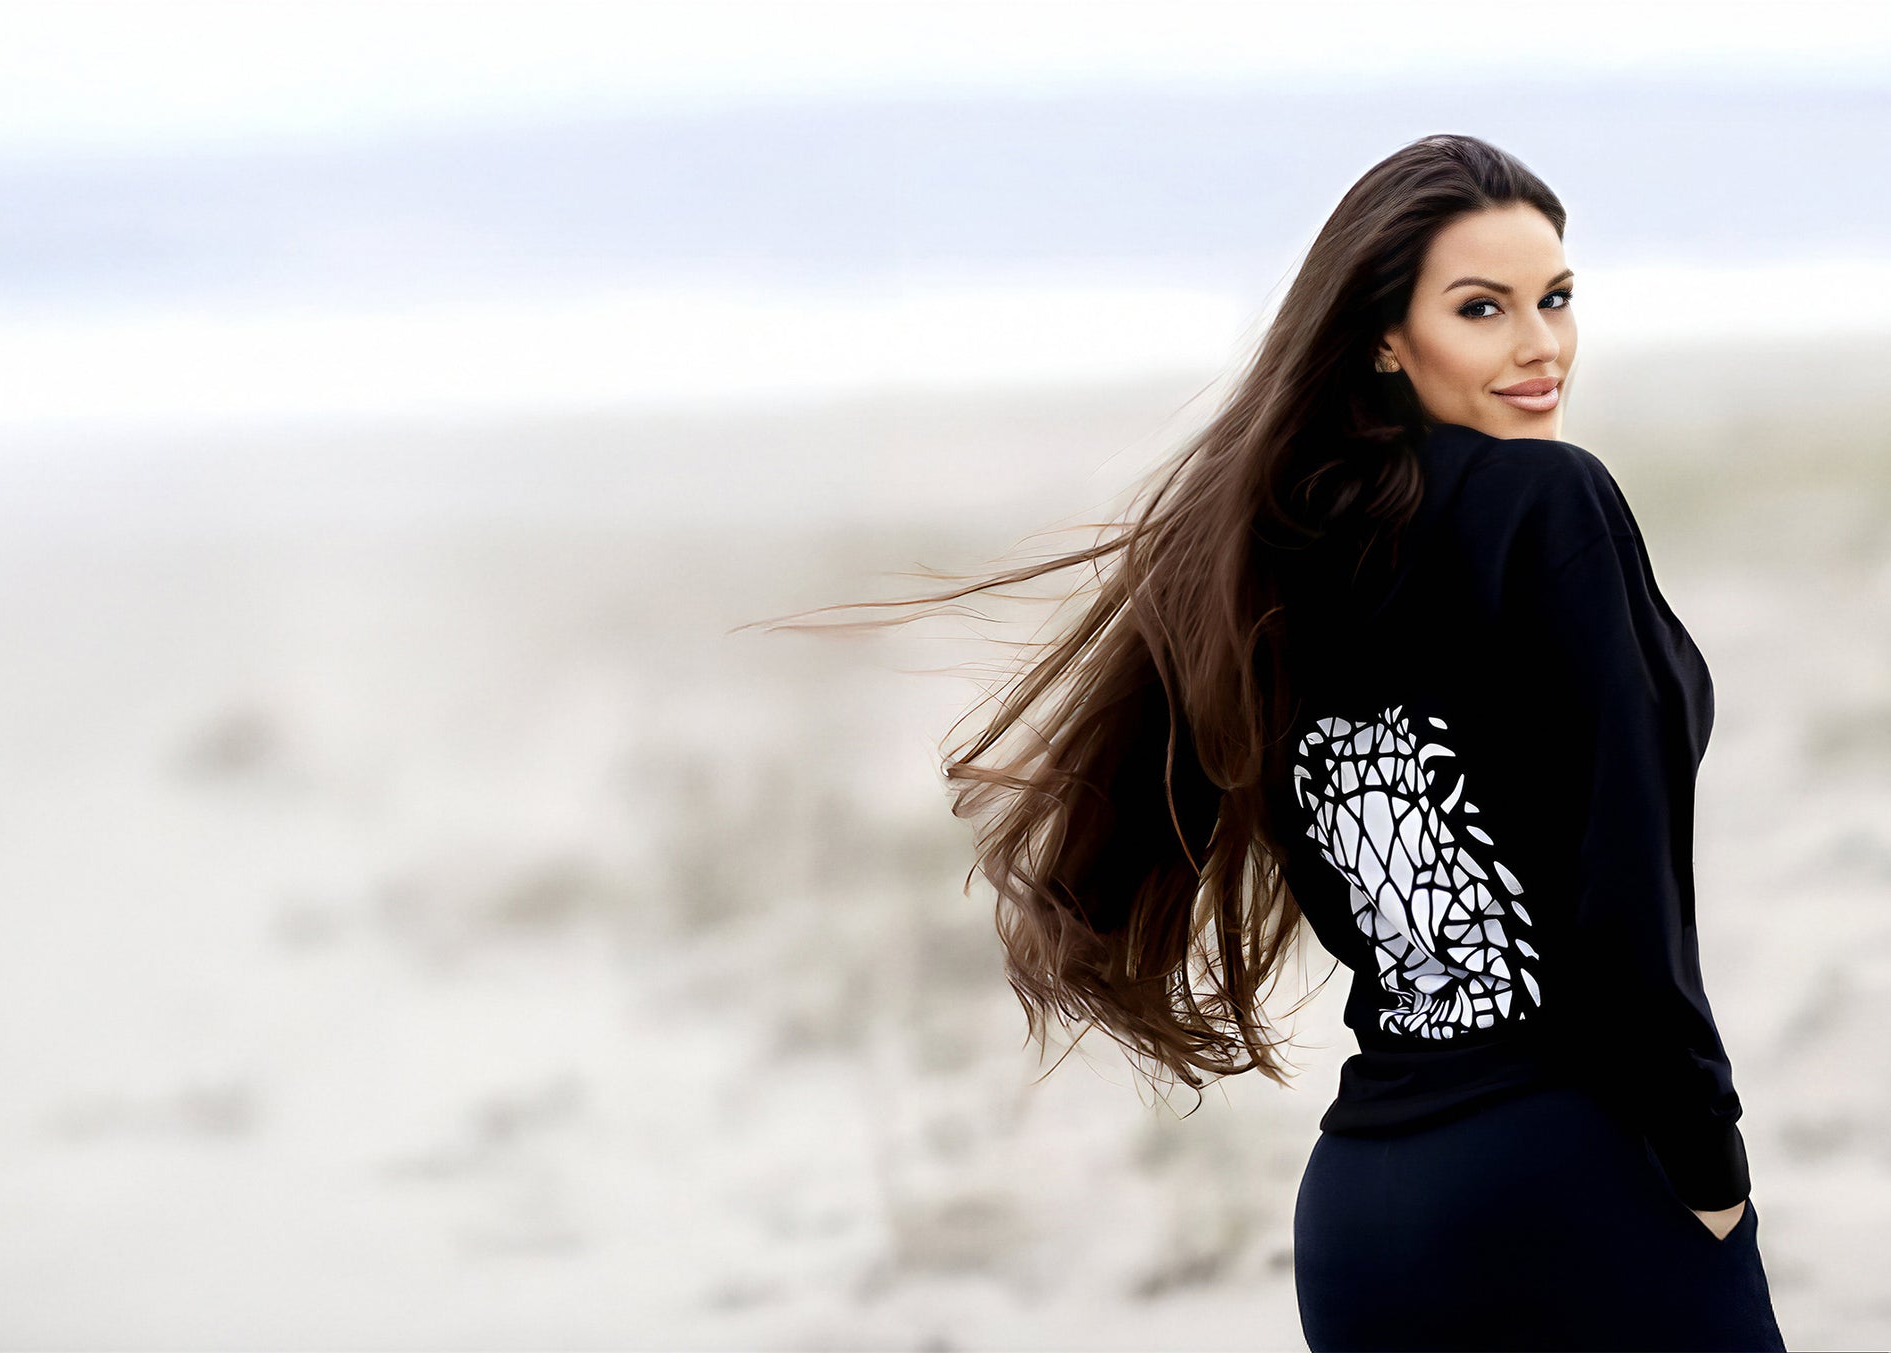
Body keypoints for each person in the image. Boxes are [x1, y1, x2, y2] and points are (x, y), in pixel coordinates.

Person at [761, 134, 1785, 1350]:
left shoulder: (1277, 555)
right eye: (1482, 308)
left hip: (1367, 1216)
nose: (1540, 346)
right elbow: (1628, 898)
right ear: (1384, 339)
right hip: (1569, 1180)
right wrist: (1710, 1166)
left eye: (1555, 300)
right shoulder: (1549, 503)